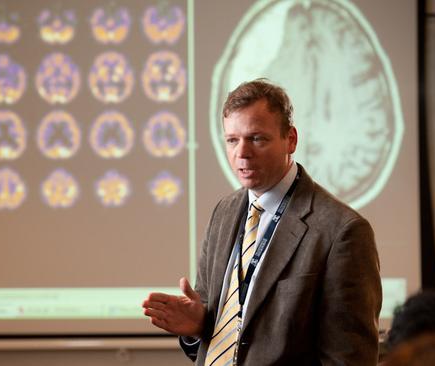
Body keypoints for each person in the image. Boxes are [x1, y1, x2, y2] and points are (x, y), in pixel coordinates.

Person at [142, 79, 382, 365]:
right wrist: (197, 328)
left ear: (290, 140)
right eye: (232, 140)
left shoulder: (342, 231)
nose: (242, 152)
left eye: (257, 138)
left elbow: (349, 359)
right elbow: (220, 333)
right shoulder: (224, 211)